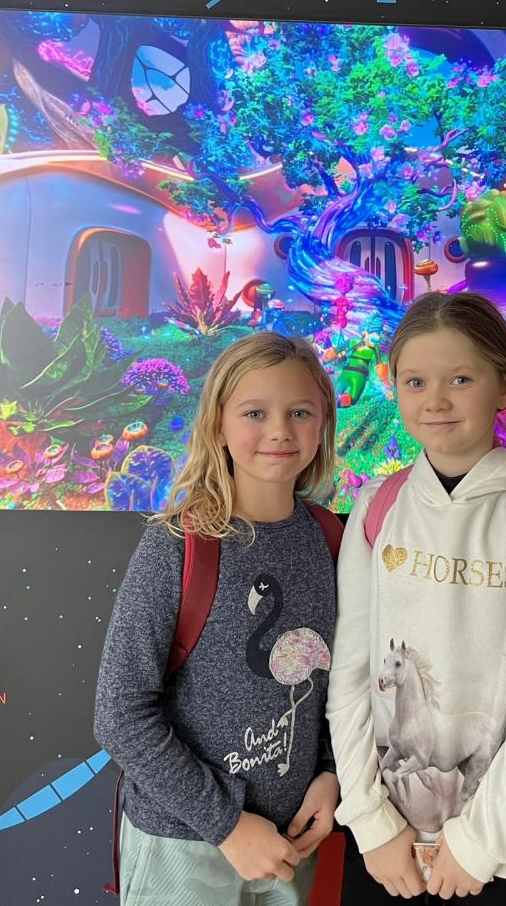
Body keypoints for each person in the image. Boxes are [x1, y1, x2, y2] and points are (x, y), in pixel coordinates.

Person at [327, 292, 506, 902]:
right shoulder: (376, 509)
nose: (436, 400)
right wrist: (371, 822)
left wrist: (482, 841)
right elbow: (349, 679)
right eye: (415, 381)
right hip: (390, 848)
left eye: (460, 379)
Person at [95, 332, 343, 905]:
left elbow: (338, 685)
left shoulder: (330, 540)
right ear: (219, 426)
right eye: (255, 413)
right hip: (183, 844)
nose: (280, 431)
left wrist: (331, 775)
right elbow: (119, 714)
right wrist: (227, 824)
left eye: (300, 412)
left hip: (288, 845)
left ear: (322, 424)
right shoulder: (175, 547)